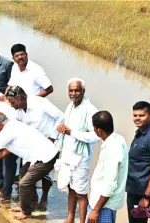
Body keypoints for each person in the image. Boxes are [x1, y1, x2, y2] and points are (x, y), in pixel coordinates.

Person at [0, 112, 59, 220]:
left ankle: (26, 211)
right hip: (38, 155)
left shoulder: (7, 132)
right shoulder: (12, 124)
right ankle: (29, 203)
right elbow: (8, 150)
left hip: (46, 156)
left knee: (24, 183)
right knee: (23, 173)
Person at [6, 86, 64, 211]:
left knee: (46, 174)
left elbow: (60, 117)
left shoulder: (40, 102)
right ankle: (29, 201)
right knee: (25, 173)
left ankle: (44, 198)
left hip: (49, 143)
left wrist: (53, 137)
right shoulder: (17, 110)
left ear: (20, 98)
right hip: (32, 147)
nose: (11, 105)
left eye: (12, 102)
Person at [54, 77, 100, 223]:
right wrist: (62, 128)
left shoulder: (90, 110)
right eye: (71, 90)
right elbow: (67, 128)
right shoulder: (70, 106)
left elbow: (96, 136)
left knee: (81, 192)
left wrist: (71, 132)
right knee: (71, 188)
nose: (73, 93)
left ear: (83, 91)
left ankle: (82, 221)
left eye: (77, 90)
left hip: (81, 158)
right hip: (68, 155)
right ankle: (70, 218)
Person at [87, 111, 128, 223]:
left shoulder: (113, 148)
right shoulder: (117, 139)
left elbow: (110, 183)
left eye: (94, 128)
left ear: (99, 130)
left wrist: (96, 210)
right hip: (102, 203)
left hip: (104, 206)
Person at [126, 101, 150, 223]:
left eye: (141, 115)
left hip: (142, 192)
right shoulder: (140, 132)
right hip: (133, 188)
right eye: (135, 115)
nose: (137, 118)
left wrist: (146, 198)